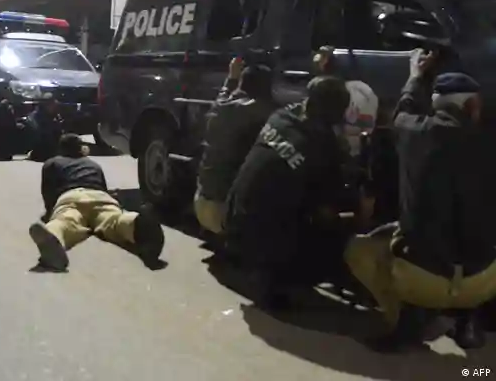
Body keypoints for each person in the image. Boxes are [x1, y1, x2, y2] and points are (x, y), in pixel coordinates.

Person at [345, 49, 496, 352]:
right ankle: (469, 320)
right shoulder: (490, 144)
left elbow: (404, 108)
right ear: (472, 106)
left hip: (423, 280)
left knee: (358, 250)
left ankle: (406, 324)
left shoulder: (411, 131)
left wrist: (415, 75)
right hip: (483, 281)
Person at [225, 75, 351, 310]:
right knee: (332, 228)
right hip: (260, 237)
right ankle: (276, 281)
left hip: (233, 215)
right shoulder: (322, 146)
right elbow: (326, 209)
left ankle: (261, 266)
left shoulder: (281, 115)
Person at [29, 133, 165, 271]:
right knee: (113, 220)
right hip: (100, 196)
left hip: (71, 196)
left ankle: (54, 236)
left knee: (66, 220)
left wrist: (50, 212)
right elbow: (103, 188)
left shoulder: (53, 163)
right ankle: (136, 224)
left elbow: (48, 192)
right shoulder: (93, 164)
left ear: (61, 149)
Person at [194, 57, 276, 236]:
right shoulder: (260, 110)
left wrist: (232, 76)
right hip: (226, 210)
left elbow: (225, 92)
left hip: (201, 201)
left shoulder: (220, 105)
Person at [25, 93, 64, 162]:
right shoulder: (35, 116)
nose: (54, 107)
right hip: (41, 148)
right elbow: (38, 132)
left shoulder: (54, 116)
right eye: (52, 105)